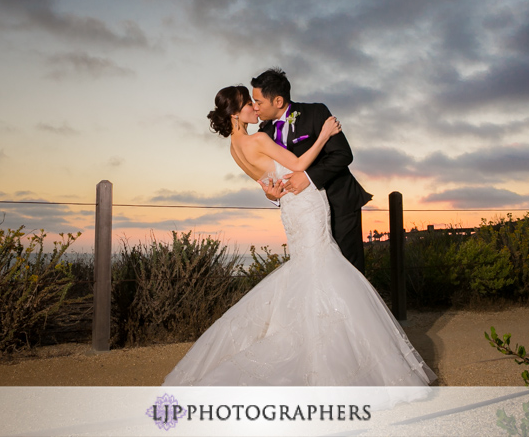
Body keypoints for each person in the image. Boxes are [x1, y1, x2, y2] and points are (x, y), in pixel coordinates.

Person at [163, 85, 435, 386]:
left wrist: (270, 192)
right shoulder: (260, 137)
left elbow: (268, 183)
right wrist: (324, 134)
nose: (256, 107)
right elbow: (298, 165)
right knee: (322, 264)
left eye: (257, 102)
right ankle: (327, 347)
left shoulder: (235, 148)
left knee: (310, 268)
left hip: (289, 207)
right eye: (250, 104)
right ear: (237, 113)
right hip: (304, 203)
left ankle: (322, 337)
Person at [251, 68, 371, 273]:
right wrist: (272, 194)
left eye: (259, 102)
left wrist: (308, 177)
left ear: (278, 101)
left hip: (339, 203)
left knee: (349, 271)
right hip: (306, 213)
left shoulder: (316, 113)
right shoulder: (264, 133)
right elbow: (272, 173)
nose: (255, 108)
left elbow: (343, 155)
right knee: (315, 270)